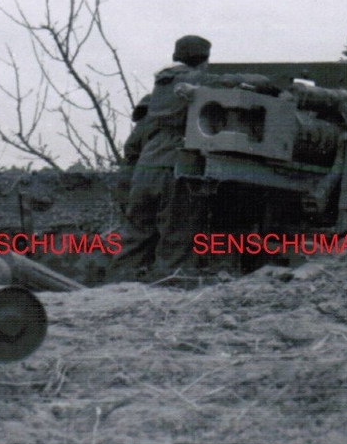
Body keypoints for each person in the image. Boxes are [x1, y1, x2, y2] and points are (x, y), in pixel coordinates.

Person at [114, 35, 273, 281]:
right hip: (176, 169)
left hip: (146, 169)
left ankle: (117, 290)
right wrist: (262, 81)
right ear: (204, 60)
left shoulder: (160, 87)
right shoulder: (195, 80)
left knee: (135, 237)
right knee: (177, 237)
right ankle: (171, 291)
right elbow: (233, 83)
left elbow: (132, 147)